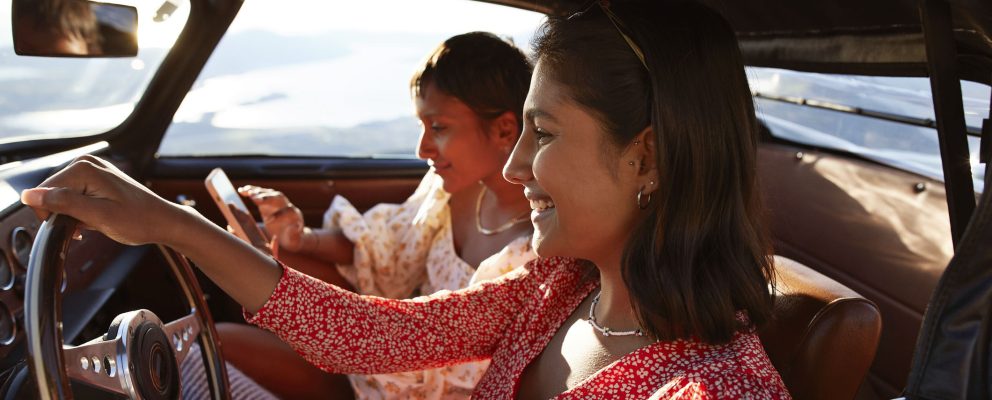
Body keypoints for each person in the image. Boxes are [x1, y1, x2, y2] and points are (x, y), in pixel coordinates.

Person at [21, 1, 791, 397]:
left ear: (646, 157)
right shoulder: (559, 291)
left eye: (544, 134)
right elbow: (366, 338)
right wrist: (170, 224)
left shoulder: (710, 390)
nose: (515, 164)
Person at [217, 31, 537, 399]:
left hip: (405, 375)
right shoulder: (452, 191)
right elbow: (383, 247)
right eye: (420, 126)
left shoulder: (534, 250)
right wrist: (300, 239)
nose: (422, 149)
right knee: (221, 337)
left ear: (504, 129)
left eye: (438, 127)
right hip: (371, 361)